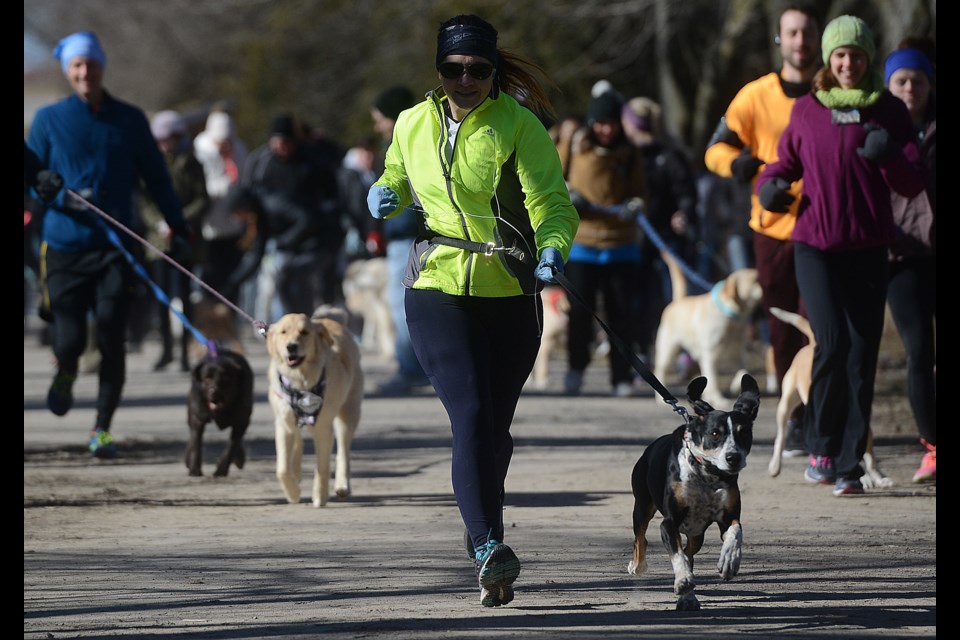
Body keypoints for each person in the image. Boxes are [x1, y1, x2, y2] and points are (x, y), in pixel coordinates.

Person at [366, 14, 578, 607]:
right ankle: (489, 545)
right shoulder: (412, 122)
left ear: (492, 70)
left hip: (510, 288)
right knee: (471, 411)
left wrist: (554, 246)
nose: (466, 80)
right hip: (436, 280)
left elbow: (550, 201)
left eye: (479, 70)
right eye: (454, 69)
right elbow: (399, 173)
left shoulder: (519, 125)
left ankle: (482, 535)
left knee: (494, 433)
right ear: (439, 71)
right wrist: (387, 191)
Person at [755, 15, 927, 496]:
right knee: (829, 343)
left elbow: (913, 182)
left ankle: (849, 465)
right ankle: (821, 446)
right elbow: (783, 162)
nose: (848, 63)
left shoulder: (889, 110)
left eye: (856, 54)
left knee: (861, 354)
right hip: (815, 245)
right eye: (839, 55)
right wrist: (769, 186)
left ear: (868, 57)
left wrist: (890, 152)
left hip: (869, 248)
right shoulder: (808, 110)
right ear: (828, 61)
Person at [26, 31, 189, 458]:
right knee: (70, 339)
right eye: (77, 66)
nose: (85, 73)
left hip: (118, 247)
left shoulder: (130, 120)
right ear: (68, 72)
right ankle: (65, 370)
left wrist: (179, 226)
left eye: (91, 65)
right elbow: (31, 177)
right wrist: (54, 192)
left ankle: (102, 428)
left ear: (101, 68)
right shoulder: (48, 120)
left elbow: (157, 178)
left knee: (114, 336)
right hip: (64, 245)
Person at [703, 2, 821, 455]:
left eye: (808, 32)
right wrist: (740, 164)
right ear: (780, 39)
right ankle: (792, 418)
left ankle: (817, 420)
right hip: (770, 227)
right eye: (792, 33)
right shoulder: (756, 95)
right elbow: (715, 149)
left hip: (822, 227)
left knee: (819, 324)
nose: (800, 41)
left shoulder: (832, 91)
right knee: (782, 327)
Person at [555, 82, 648, 398]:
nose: (606, 130)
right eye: (600, 123)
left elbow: (640, 191)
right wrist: (569, 194)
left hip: (620, 245)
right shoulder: (575, 143)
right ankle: (575, 368)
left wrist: (636, 205)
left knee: (621, 314)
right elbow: (554, 175)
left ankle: (620, 376)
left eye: (611, 123)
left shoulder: (629, 153)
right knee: (580, 312)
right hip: (582, 243)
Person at [883, 45, 936, 483]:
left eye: (917, 80)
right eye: (900, 81)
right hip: (900, 257)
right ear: (888, 86)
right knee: (919, 352)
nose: (909, 88)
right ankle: (932, 446)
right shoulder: (878, 129)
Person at [232, 112, 343, 322]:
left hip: (316, 236)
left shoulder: (311, 159)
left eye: (286, 143)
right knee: (283, 284)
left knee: (306, 283)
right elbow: (256, 201)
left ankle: (308, 326)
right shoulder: (263, 163)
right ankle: (293, 327)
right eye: (277, 143)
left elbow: (330, 195)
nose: (281, 148)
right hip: (285, 237)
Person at [620, 96, 699, 362]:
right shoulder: (626, 154)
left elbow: (686, 192)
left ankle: (683, 354)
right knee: (639, 298)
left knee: (675, 295)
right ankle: (641, 352)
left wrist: (684, 214)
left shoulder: (668, 156)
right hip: (636, 237)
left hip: (666, 238)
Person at [368, 85, 431, 395]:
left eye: (380, 118)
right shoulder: (419, 138)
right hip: (406, 238)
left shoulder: (404, 143)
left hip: (406, 239)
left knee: (401, 306)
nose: (377, 125)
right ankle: (417, 367)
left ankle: (411, 369)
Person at [139, 109, 210, 372]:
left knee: (184, 296)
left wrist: (179, 220)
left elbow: (202, 199)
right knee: (161, 297)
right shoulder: (148, 162)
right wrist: (159, 222)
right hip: (158, 242)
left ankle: (184, 351)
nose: (164, 143)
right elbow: (143, 199)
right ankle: (166, 349)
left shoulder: (192, 163)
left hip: (185, 239)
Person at [192, 109, 250, 306]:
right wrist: (223, 186)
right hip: (210, 227)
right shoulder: (201, 151)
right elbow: (198, 189)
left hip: (235, 226)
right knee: (211, 279)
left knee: (233, 278)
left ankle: (231, 319)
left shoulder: (239, 149)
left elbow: (245, 179)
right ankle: (211, 323)